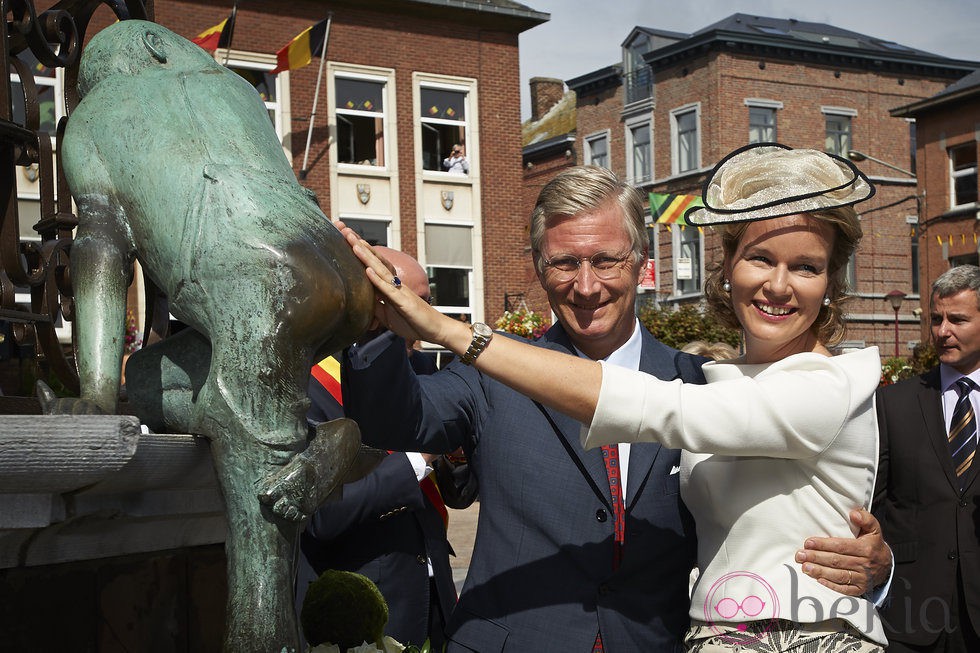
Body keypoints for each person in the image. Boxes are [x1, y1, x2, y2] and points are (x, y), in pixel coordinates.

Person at [338, 160, 891, 652]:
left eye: (606, 260)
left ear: (641, 264)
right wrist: (371, 325)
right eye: (563, 263)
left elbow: (783, 505)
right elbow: (395, 421)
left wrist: (875, 564)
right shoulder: (493, 374)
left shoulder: (699, 382)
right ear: (537, 268)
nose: (585, 286)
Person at [300, 247, 460, 650]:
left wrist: (456, 459)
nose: (422, 322)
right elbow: (322, 515)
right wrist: (418, 460)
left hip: (438, 601)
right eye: (409, 302)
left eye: (427, 303)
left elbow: (462, 492)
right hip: (368, 610)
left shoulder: (427, 372)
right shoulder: (309, 387)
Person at [873, 265, 980, 652]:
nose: (942, 330)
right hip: (913, 613)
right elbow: (876, 502)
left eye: (958, 319)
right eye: (936, 319)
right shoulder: (893, 403)